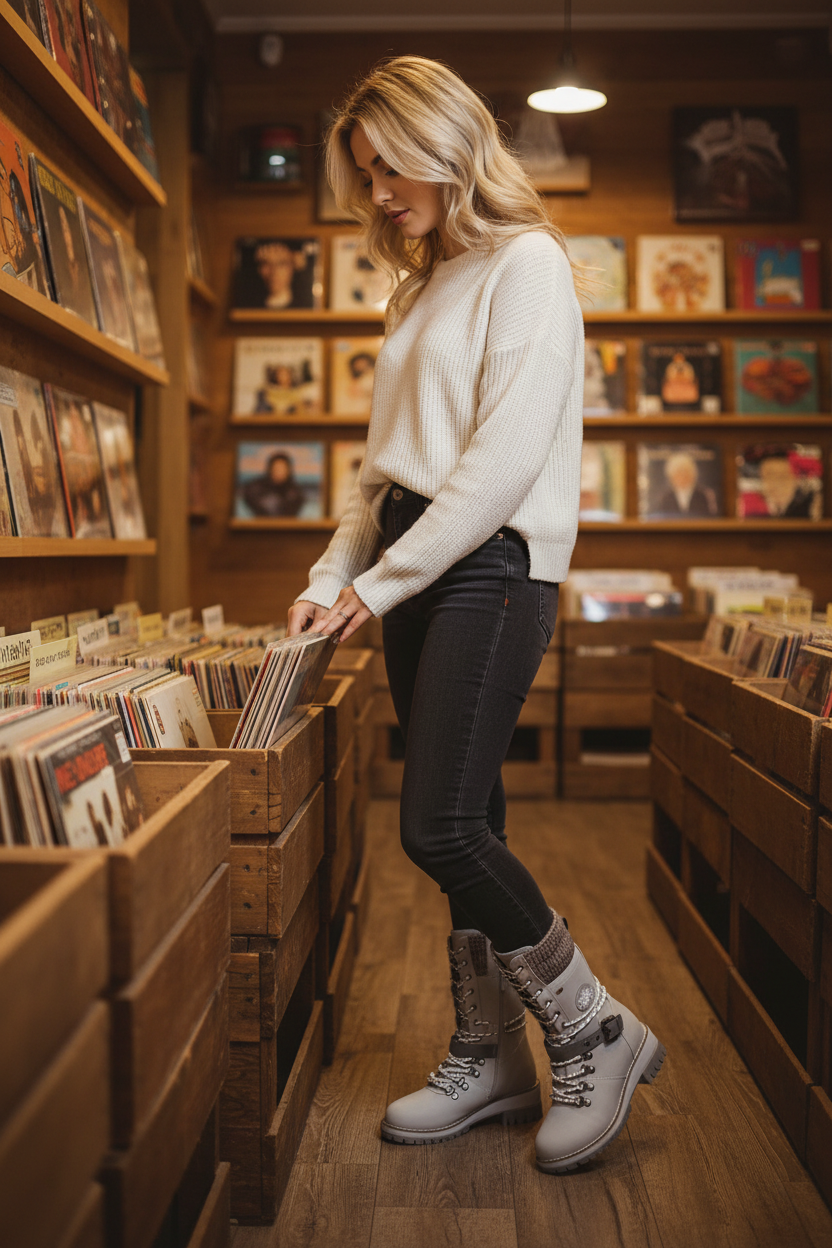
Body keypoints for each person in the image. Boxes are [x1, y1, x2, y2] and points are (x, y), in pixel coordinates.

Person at [288, 56, 665, 1175]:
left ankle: (595, 1024)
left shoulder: (530, 264)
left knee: (437, 826)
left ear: (448, 142)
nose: (377, 193)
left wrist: (379, 587)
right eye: (362, 175)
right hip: (415, 557)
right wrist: (329, 574)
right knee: (474, 825)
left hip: (490, 567)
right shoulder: (416, 285)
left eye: (389, 165)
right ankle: (490, 1055)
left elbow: (499, 465)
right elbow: (381, 475)